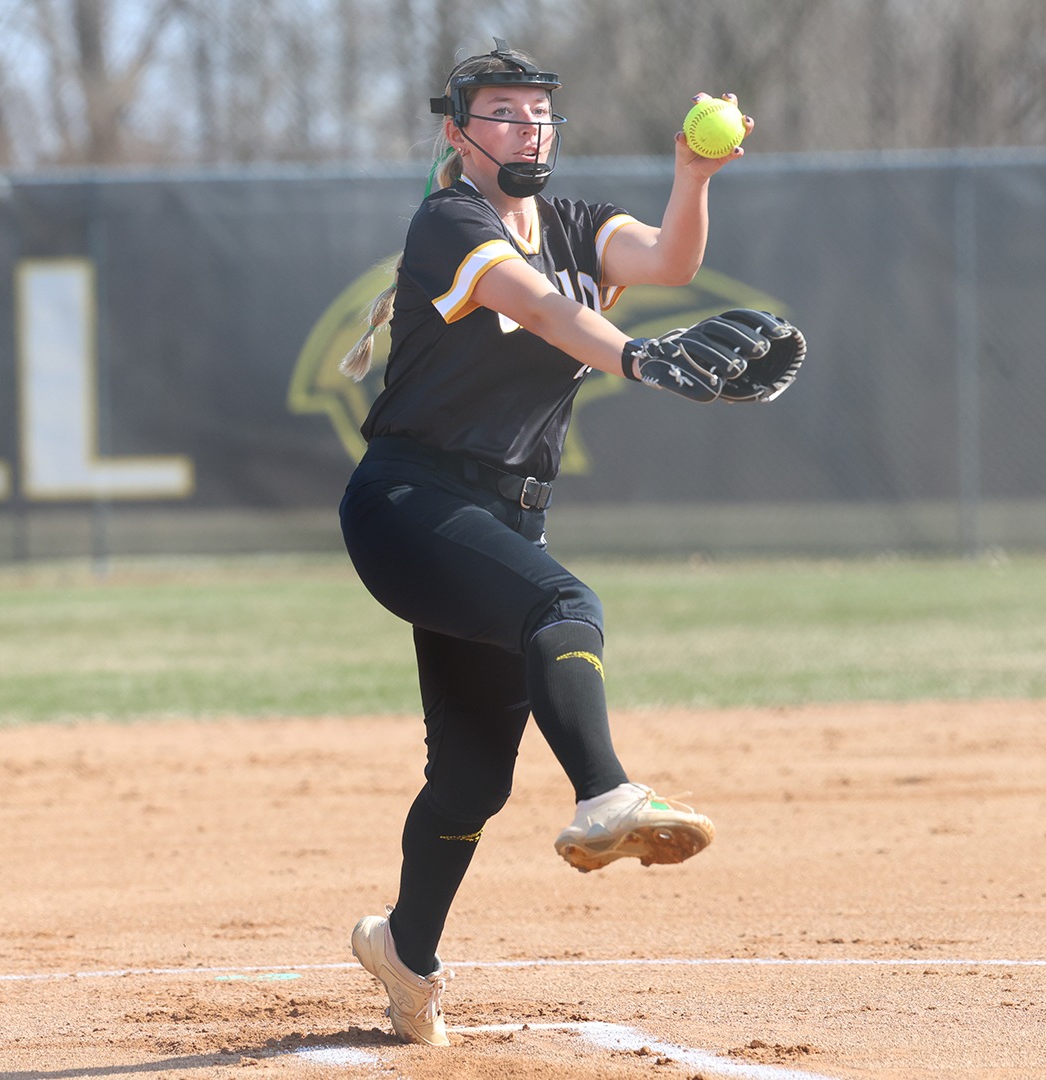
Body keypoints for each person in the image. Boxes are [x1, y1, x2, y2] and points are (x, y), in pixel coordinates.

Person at [335, 39, 801, 1048]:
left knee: (471, 779)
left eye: (537, 111)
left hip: (501, 513)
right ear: (455, 133)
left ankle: (404, 954)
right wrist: (636, 355)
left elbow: (669, 261)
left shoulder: (575, 223)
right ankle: (606, 795)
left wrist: (691, 176)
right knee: (563, 607)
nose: (525, 127)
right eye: (500, 111)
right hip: (410, 501)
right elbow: (541, 310)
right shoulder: (449, 222)